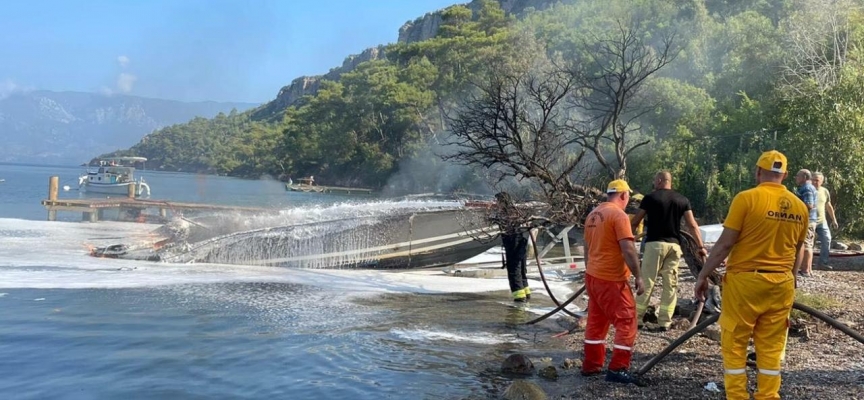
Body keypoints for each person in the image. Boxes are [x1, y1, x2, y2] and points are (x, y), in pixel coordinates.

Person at [695, 150, 807, 400]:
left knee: (735, 342)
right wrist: (792, 281)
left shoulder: (746, 199)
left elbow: (725, 244)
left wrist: (703, 275)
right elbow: (798, 252)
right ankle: (768, 396)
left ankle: (737, 396)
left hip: (745, 282)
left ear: (758, 171)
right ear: (785, 175)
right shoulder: (800, 207)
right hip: (782, 283)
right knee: (771, 347)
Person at [581, 179, 645, 385]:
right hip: (611, 278)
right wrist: (639, 276)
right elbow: (627, 249)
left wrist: (590, 269)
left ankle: (591, 366)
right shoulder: (619, 215)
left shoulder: (593, 215)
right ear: (624, 195)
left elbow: (586, 247)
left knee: (596, 321)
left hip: (593, 276)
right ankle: (618, 368)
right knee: (626, 320)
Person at [630, 171, 708, 331]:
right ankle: (664, 322)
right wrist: (700, 247)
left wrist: (627, 239)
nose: (654, 184)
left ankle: (636, 319)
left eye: (654, 181)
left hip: (654, 245)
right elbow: (693, 225)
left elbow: (636, 221)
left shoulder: (650, 198)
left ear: (659, 181)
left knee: (647, 282)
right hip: (674, 247)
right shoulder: (682, 200)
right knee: (670, 284)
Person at [493, 192, 530, 302]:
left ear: (502, 202)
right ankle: (526, 295)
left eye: (497, 201)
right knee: (521, 271)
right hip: (521, 245)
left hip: (514, 246)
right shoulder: (516, 211)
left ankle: (519, 299)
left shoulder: (506, 214)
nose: (496, 204)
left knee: (514, 272)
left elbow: (507, 228)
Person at [794, 169, 818, 277]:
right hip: (807, 220)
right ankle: (806, 269)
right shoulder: (806, 188)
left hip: (808, 220)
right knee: (806, 243)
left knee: (807, 244)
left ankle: (806, 270)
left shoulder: (807, 188)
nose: (796, 178)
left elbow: (809, 205)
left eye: (798, 176)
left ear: (804, 177)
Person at [813, 171, 839, 268]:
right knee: (809, 242)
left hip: (821, 221)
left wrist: (834, 220)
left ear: (821, 181)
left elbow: (828, 206)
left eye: (817, 180)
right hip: (809, 221)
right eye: (813, 180)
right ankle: (804, 263)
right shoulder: (807, 190)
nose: (814, 182)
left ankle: (823, 262)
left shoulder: (824, 191)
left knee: (827, 239)